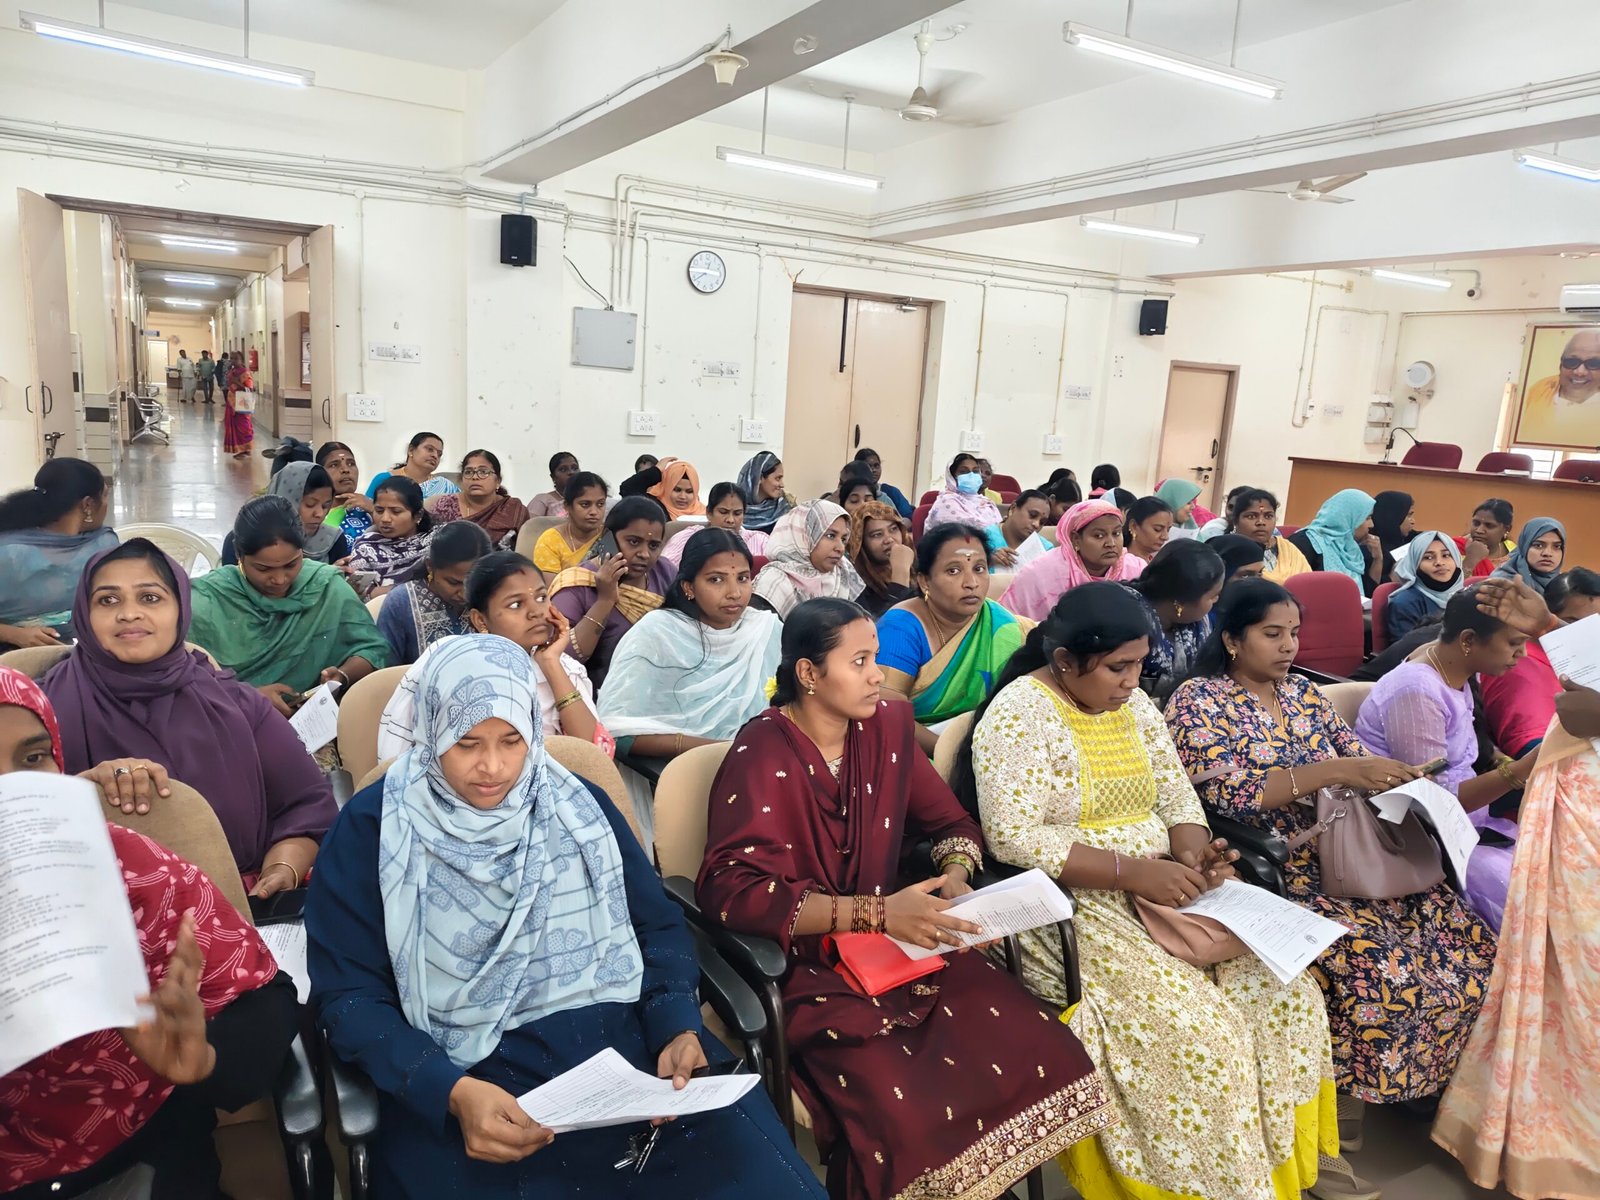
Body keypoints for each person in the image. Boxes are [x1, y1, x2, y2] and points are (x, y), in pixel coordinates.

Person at [304, 636, 823, 1200]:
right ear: (431, 731)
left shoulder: (576, 807)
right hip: (471, 1077)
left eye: (512, 740)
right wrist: (446, 1091)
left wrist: (676, 1025)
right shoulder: (375, 830)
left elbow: (655, 926)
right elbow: (350, 996)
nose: (493, 767)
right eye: (466, 743)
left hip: (630, 1055)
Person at [698, 599, 1114, 1200]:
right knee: (905, 1117)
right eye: (860, 662)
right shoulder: (761, 752)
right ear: (809, 673)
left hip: (905, 941)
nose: (878, 675)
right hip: (808, 961)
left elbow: (950, 823)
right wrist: (876, 913)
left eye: (876, 658)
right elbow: (733, 892)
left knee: (1038, 1051)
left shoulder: (887, 725)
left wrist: (956, 877)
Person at [960, 584, 1340, 1200]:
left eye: (1139, 664)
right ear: (1065, 661)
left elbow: (1176, 796)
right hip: (1072, 905)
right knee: (1205, 1037)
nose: (1132, 682)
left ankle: (1270, 1170)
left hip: (1165, 886)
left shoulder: (1133, 704)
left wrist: (1195, 852)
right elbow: (1014, 837)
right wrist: (1134, 873)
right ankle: (1211, 1184)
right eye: (1118, 667)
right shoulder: (1019, 712)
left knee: (1289, 997)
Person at [1166, 580, 1496, 1133]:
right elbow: (1226, 794)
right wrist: (1337, 771)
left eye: (1294, 633)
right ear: (1231, 639)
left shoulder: (1303, 692)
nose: (1288, 646)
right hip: (1280, 863)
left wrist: (1396, 779)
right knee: (1383, 969)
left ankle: (1435, 1083)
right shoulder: (1198, 699)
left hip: (1352, 849)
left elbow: (1355, 758)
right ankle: (1345, 1105)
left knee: (1467, 941)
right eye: (1272, 634)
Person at [0, 667, 297, 1200]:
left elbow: (264, 1003)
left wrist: (205, 1058)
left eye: (32, 759)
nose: (12, 792)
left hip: (147, 1154)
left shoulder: (125, 866)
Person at [43, 538, 337, 889]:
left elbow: (308, 805)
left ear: (180, 608)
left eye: (150, 597)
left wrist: (281, 870)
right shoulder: (41, 710)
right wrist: (80, 790)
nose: (129, 613)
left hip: (239, 902)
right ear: (84, 613)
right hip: (90, 906)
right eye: (108, 600)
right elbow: (17, 820)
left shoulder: (238, 706)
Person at [1431, 603, 1600, 1199]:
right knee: (1553, 980)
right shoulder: (1423, 686)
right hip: (1576, 797)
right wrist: (1553, 628)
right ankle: (1539, 1143)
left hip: (1578, 802)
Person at [1354, 590, 1536, 933]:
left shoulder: (1453, 664)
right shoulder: (1417, 690)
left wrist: (1505, 763)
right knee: (1530, 906)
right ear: (1468, 640)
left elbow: (1460, 758)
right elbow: (1432, 805)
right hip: (1421, 838)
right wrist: (1521, 770)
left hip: (1468, 823)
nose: (1522, 654)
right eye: (1514, 643)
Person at [379, 552, 609, 764]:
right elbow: (408, 752)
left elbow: (595, 758)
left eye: (541, 597)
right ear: (480, 620)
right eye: (516, 604)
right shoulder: (450, 663)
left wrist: (550, 664)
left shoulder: (564, 667)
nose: (536, 612)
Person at [598, 528, 781, 765]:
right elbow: (617, 732)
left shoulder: (765, 629)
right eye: (716, 580)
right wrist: (723, 750)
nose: (734, 593)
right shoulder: (658, 633)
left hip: (761, 763)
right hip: (675, 771)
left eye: (743, 578)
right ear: (689, 587)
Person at [190, 496, 389, 704]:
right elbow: (181, 678)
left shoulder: (325, 586)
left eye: (291, 565)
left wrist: (342, 675)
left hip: (312, 716)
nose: (279, 579)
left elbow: (373, 650)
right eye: (263, 569)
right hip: (232, 717)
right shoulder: (206, 601)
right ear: (239, 555)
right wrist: (249, 697)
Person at [877, 523, 1030, 755]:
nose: (972, 583)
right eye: (953, 571)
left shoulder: (1000, 624)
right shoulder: (900, 628)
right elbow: (887, 713)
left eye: (979, 568)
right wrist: (953, 756)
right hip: (912, 751)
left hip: (984, 746)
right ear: (924, 581)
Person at [549, 497, 672, 690]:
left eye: (653, 546)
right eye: (633, 542)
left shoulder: (665, 572)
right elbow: (560, 658)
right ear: (607, 537)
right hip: (597, 694)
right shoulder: (576, 584)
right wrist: (605, 601)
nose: (644, 554)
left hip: (660, 689)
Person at [1480, 568, 1600, 759]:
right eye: (1574, 624)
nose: (1585, 635)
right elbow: (1531, 748)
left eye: (1595, 627)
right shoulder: (1518, 664)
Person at [0, 458, 115, 648]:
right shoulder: (10, 554)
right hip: (14, 654)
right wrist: (15, 635)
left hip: (87, 648)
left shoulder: (103, 543)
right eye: (104, 496)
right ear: (87, 504)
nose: (106, 504)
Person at [1000, 499, 1145, 621]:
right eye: (1099, 536)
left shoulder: (1136, 570)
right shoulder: (1041, 574)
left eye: (1116, 533)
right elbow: (1008, 625)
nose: (1111, 543)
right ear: (1076, 539)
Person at [377, 522, 494, 666]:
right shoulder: (402, 602)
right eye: (453, 582)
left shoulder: (491, 598)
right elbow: (385, 669)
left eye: (474, 583)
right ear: (430, 566)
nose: (464, 594)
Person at [1124, 539, 1225, 705]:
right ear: (1182, 602)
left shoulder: (1197, 626)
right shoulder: (1127, 619)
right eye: (1212, 596)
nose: (1217, 600)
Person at [751, 500, 862, 620]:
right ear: (804, 536)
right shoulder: (773, 583)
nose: (840, 548)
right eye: (831, 536)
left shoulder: (843, 572)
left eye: (844, 539)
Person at [222, 461, 347, 566]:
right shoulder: (242, 538)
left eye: (325, 506)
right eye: (310, 504)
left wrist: (335, 579)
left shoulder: (333, 540)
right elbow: (230, 585)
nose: (319, 514)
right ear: (286, 499)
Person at [349, 476, 436, 600]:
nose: (385, 519)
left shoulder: (437, 541)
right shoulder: (365, 547)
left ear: (418, 515)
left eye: (396, 511)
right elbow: (356, 593)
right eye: (379, 510)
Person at [1514, 327, 1600, 446]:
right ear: (1561, 364)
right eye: (1572, 362)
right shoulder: (1539, 390)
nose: (1579, 372)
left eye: (1594, 364)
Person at [428, 449, 530, 550]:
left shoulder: (513, 509)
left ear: (498, 481)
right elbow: (430, 546)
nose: (475, 477)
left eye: (483, 472)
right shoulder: (446, 506)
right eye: (468, 472)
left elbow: (525, 550)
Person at [658, 482, 768, 572]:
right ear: (709, 513)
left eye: (737, 513)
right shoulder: (688, 537)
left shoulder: (759, 540)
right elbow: (663, 572)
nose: (730, 520)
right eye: (723, 512)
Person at [1287, 488, 1380, 594]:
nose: (1371, 525)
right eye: (1367, 518)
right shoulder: (1305, 542)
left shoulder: (1351, 547)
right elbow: (1292, 589)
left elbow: (1367, 594)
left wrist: (1378, 559)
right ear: (1348, 517)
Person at [1383, 531, 1464, 643]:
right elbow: (1406, 650)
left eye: (1446, 555)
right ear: (1415, 564)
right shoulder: (1405, 603)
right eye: (1428, 557)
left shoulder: (1466, 595)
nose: (1439, 562)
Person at [1227, 487, 1312, 584]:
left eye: (1268, 516)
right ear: (1235, 520)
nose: (1261, 522)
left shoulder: (1288, 549)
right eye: (1251, 516)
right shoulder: (1227, 550)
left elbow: (1306, 585)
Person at [846, 499, 915, 619]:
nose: (889, 539)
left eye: (893, 529)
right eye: (877, 534)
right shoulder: (855, 584)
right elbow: (889, 623)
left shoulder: (916, 564)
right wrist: (900, 575)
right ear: (860, 544)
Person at [531, 471, 608, 577]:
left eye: (600, 504)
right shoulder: (551, 541)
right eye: (585, 504)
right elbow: (551, 586)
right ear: (567, 506)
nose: (594, 512)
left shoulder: (610, 536)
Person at [924, 453, 1003, 551]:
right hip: (954, 554)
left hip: (991, 553)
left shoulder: (986, 503)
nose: (971, 475)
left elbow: (1000, 530)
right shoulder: (946, 502)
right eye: (964, 472)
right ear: (952, 476)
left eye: (975, 471)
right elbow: (961, 535)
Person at [365, 432, 460, 502]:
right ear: (411, 450)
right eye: (429, 449)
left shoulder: (443, 485)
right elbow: (366, 510)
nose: (435, 456)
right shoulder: (384, 479)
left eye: (439, 454)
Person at [316, 440, 376, 542]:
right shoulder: (311, 511)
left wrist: (375, 511)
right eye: (334, 465)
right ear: (320, 472)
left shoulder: (371, 508)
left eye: (351, 464)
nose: (345, 469)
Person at [1490, 516, 1564, 594]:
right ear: (1524, 547)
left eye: (1557, 546)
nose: (1547, 553)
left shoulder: (1565, 584)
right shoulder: (1502, 582)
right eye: (1538, 545)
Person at [989, 487, 1049, 569]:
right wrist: (986, 560)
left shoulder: (1046, 549)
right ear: (1013, 508)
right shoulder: (982, 539)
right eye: (1032, 515)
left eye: (1042, 522)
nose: (1037, 525)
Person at [736, 451, 793, 533]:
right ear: (760, 478)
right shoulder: (735, 507)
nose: (782, 485)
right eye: (777, 478)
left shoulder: (785, 508)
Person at [1369, 490, 1415, 584]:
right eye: (1408, 515)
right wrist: (1391, 578)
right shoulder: (1370, 548)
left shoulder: (1410, 539)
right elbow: (1369, 589)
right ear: (1392, 516)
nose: (1413, 521)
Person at [851, 447, 912, 517]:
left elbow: (908, 517)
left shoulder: (890, 492)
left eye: (876, 466)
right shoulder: (850, 493)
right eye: (868, 466)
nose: (874, 470)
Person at [1464, 498, 1515, 578]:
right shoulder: (1453, 549)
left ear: (1507, 529)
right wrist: (1470, 561)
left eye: (1489, 525)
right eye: (1476, 523)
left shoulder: (1515, 555)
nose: (1479, 530)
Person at [221, 352, 254, 460]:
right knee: (233, 425)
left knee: (244, 426)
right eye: (232, 358)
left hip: (242, 402)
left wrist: (237, 382)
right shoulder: (232, 371)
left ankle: (247, 449)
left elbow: (249, 389)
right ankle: (240, 449)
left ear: (242, 360)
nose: (233, 361)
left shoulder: (245, 373)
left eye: (236, 359)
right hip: (231, 402)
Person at [1122, 495, 1174, 563]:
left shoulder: (1155, 562)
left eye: (1168, 530)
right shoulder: (1126, 564)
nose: (1165, 537)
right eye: (1157, 529)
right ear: (1134, 526)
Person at [527, 451, 580, 518]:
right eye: (563, 470)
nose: (571, 472)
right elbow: (531, 523)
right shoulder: (542, 499)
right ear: (553, 477)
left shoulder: (588, 499)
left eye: (575, 468)